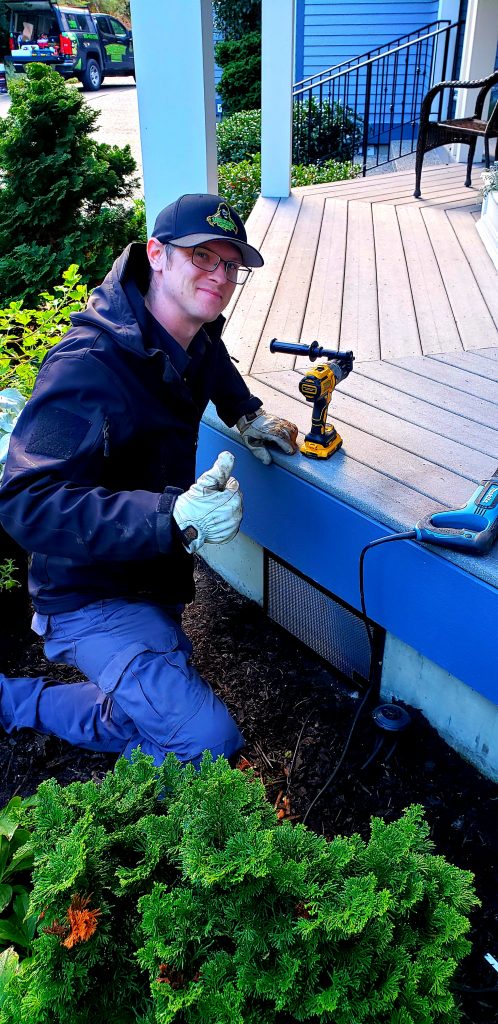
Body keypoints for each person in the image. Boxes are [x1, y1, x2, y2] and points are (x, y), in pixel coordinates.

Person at [0, 193, 298, 769]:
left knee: (128, 721)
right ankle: (130, 828)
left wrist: (247, 414)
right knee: (207, 743)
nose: (219, 275)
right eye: (203, 257)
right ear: (157, 254)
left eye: (231, 265)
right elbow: (25, 502)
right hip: (90, 592)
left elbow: (212, 357)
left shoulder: (183, 330)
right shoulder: (87, 367)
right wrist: (173, 518)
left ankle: (13, 701)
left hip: (147, 576)